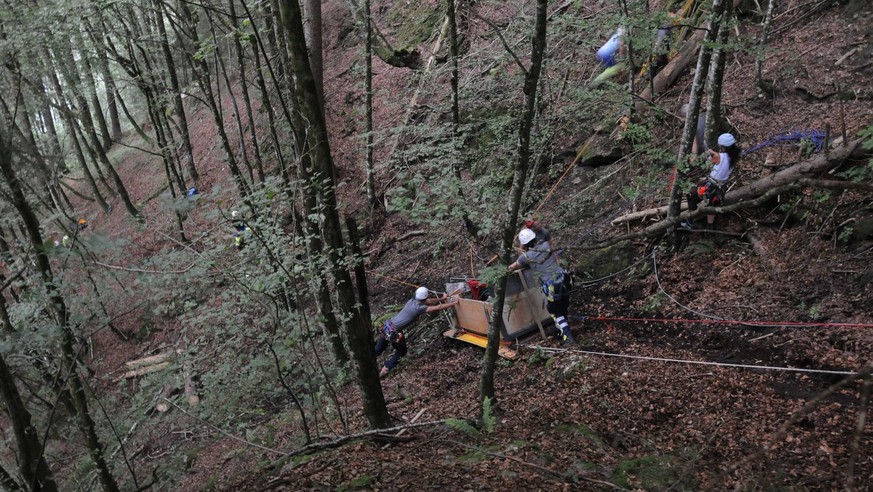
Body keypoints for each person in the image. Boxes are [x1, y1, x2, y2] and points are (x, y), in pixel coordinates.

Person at [508, 228, 576, 345]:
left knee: (555, 311)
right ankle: (561, 330)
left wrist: (522, 249)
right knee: (562, 307)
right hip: (564, 279)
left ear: (524, 244)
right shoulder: (545, 245)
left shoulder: (526, 257)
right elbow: (547, 235)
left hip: (552, 285)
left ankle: (568, 338)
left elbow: (511, 267)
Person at [375, 286, 459, 378]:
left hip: (387, 326)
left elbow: (428, 301)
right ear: (425, 297)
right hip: (394, 332)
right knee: (402, 351)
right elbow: (438, 307)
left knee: (378, 349)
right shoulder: (419, 308)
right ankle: (387, 367)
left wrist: (443, 298)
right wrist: (454, 303)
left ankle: (364, 361)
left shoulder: (412, 300)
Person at [682, 133, 742, 230]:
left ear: (722, 146)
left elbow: (709, 159)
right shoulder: (736, 154)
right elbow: (720, 156)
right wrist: (711, 151)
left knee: (691, 195)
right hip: (721, 187)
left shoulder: (718, 157)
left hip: (711, 185)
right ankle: (710, 225)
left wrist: (708, 152)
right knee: (713, 204)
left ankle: (690, 222)